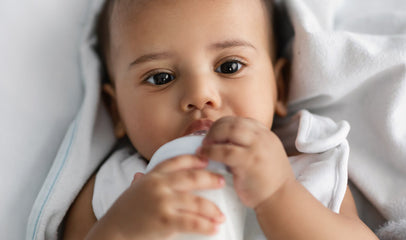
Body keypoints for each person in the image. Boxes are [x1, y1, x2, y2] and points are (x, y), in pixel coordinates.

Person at [63, 0, 378, 239]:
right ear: (117, 110)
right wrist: (120, 228)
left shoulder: (302, 169)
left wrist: (279, 195)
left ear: (278, 87)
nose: (200, 96)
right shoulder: (117, 185)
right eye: (160, 77)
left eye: (229, 67)